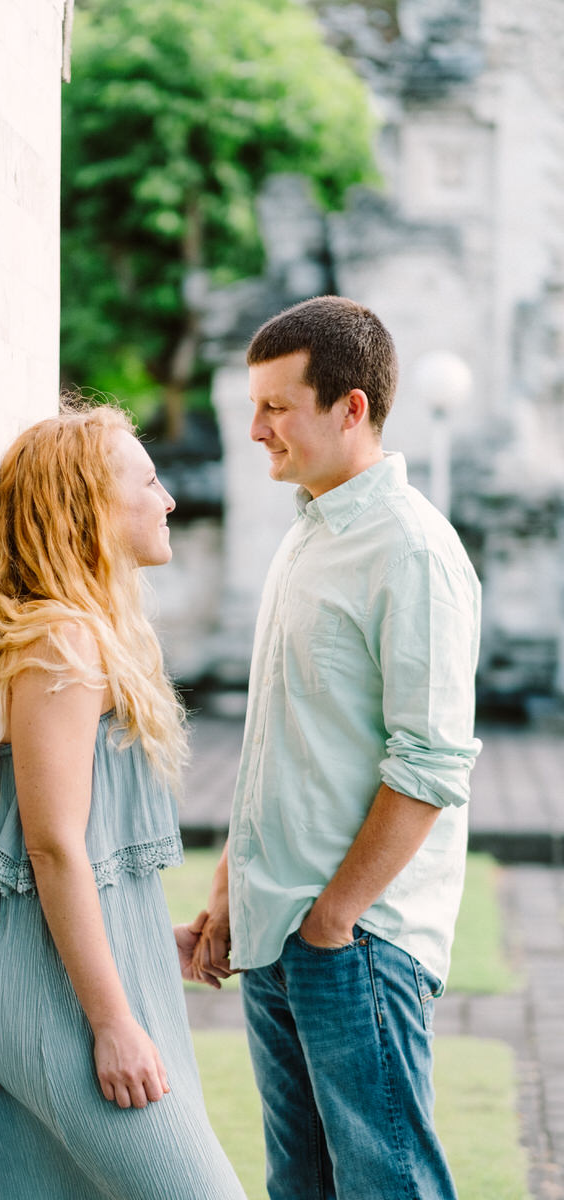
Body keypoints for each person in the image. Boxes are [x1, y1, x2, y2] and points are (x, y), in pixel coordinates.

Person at [193, 296, 481, 1200]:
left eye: (277, 406)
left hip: (356, 942)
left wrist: (335, 920)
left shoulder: (411, 551)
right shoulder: (305, 537)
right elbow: (277, 746)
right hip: (279, 934)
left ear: (350, 408)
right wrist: (227, 895)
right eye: (255, 406)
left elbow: (430, 763)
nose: (255, 430)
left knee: (390, 1188)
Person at [0, 401, 247, 1200]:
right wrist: (112, 1023)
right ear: (88, 504)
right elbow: (53, 845)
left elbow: (84, 857)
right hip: (69, 1009)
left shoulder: (92, 637)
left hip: (102, 984)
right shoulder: (63, 640)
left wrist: (144, 937)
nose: (169, 500)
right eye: (150, 480)